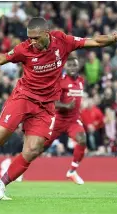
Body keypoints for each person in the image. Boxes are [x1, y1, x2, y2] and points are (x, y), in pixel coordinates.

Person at [0, 17, 117, 199]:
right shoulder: (24, 49)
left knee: (33, 150)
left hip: (45, 106)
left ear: (47, 34)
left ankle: (0, 185)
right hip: (24, 97)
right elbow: (1, 58)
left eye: (36, 38)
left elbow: (92, 41)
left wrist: (111, 38)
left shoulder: (62, 41)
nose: (33, 42)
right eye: (30, 38)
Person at [44, 56, 86, 185]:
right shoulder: (60, 81)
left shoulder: (81, 81)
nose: (72, 68)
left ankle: (72, 171)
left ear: (78, 66)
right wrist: (66, 106)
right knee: (39, 147)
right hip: (58, 120)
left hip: (73, 121)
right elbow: (53, 102)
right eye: (70, 65)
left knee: (82, 140)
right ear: (65, 67)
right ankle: (20, 171)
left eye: (74, 65)